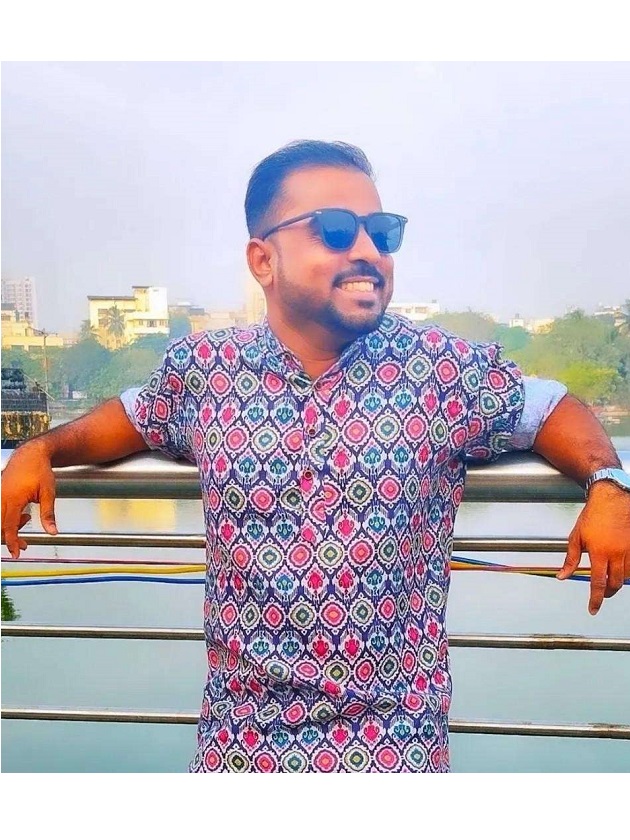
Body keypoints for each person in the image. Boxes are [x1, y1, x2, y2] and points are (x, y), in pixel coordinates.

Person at [2, 140, 629, 773]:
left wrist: (608, 485)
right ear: (263, 260)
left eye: (381, 231)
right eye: (333, 229)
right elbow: (134, 418)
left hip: (393, 742)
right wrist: (41, 448)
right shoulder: (207, 370)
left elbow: (547, 408)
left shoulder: (442, 370)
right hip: (238, 740)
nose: (366, 251)